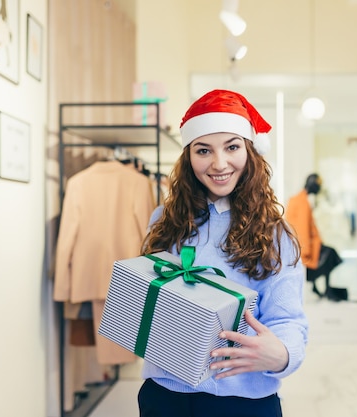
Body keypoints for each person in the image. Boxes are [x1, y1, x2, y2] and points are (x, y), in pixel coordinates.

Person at [138, 89, 309, 417]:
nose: (219, 164)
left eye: (232, 147)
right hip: (164, 396)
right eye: (204, 150)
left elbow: (288, 319)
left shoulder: (276, 233)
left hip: (243, 402)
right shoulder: (163, 220)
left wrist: (283, 354)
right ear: (189, 156)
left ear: (250, 151)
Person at [285, 173, 344, 299]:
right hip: (304, 247)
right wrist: (305, 252)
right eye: (318, 185)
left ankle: (320, 287)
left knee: (330, 254)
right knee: (331, 255)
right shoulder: (302, 202)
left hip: (304, 245)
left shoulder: (299, 199)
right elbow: (302, 229)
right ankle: (325, 288)